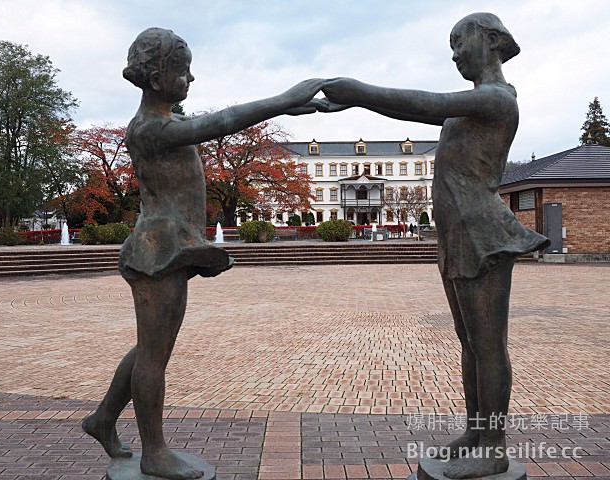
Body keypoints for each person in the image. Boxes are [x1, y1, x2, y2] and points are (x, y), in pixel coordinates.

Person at [81, 27, 324, 480]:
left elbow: (212, 125)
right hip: (158, 251)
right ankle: (154, 452)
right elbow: (219, 123)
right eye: (182, 70)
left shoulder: (163, 125)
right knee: (155, 355)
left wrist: (290, 105)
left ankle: (102, 419)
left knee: (150, 347)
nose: (191, 78)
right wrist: (282, 100)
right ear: (157, 78)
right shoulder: (152, 128)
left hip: (166, 246)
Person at [317, 13, 548, 479]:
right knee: (469, 342)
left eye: (459, 42)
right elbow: (432, 105)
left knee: (487, 344)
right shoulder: (471, 106)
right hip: (458, 233)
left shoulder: (496, 99)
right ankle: (476, 433)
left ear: (491, 40)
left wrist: (358, 92)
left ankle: (494, 445)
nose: (455, 53)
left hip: (482, 233)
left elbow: (422, 104)